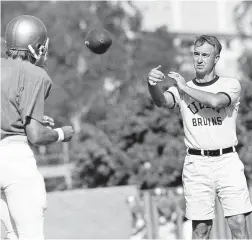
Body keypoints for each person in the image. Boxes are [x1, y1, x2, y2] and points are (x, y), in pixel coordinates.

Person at [147, 35, 252, 239]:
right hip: (197, 163)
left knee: (238, 223)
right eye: (196, 54)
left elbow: (216, 102)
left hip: (227, 161)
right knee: (200, 229)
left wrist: (185, 88)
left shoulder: (230, 84)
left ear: (217, 58)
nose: (200, 59)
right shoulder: (180, 89)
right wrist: (152, 85)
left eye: (206, 55)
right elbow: (162, 101)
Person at [0, 15, 75, 240]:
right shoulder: (33, 73)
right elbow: (35, 134)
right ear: (37, 47)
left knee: (13, 236)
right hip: (16, 162)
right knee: (30, 235)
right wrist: (61, 134)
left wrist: (30, 118)